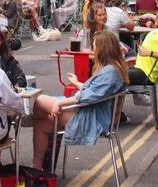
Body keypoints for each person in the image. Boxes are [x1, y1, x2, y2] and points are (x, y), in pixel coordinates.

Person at [30, 31, 128, 169]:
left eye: (94, 46)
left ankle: (31, 118)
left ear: (103, 49)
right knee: (41, 125)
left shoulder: (110, 72)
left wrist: (59, 103)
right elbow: (95, 92)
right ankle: (36, 169)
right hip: (94, 114)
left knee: (40, 100)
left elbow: (87, 97)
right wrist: (77, 83)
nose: (92, 50)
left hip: (94, 119)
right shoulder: (112, 69)